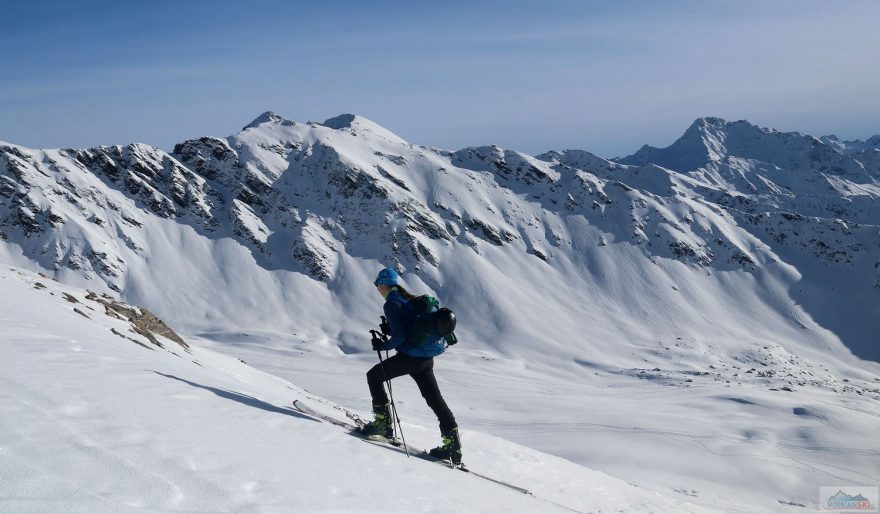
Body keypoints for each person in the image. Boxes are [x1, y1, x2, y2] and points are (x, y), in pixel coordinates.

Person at [360, 267, 462, 464]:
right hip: (425, 360)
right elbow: (410, 327)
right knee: (435, 399)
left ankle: (382, 425)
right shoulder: (410, 299)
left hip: (410, 358)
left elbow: (402, 336)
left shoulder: (391, 304)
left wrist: (383, 344)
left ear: (383, 283)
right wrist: (390, 330)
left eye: (377, 285)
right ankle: (453, 447)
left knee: (374, 376)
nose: (377, 289)